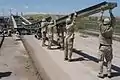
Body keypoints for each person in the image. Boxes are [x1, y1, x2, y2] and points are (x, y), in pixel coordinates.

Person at [97, 9, 116, 78]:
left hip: (102, 47)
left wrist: (101, 12)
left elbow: (99, 20)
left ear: (104, 22)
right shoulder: (111, 28)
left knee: (101, 61)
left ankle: (100, 73)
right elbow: (113, 21)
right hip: (109, 47)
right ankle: (109, 73)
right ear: (109, 23)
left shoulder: (101, 27)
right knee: (109, 61)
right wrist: (110, 12)